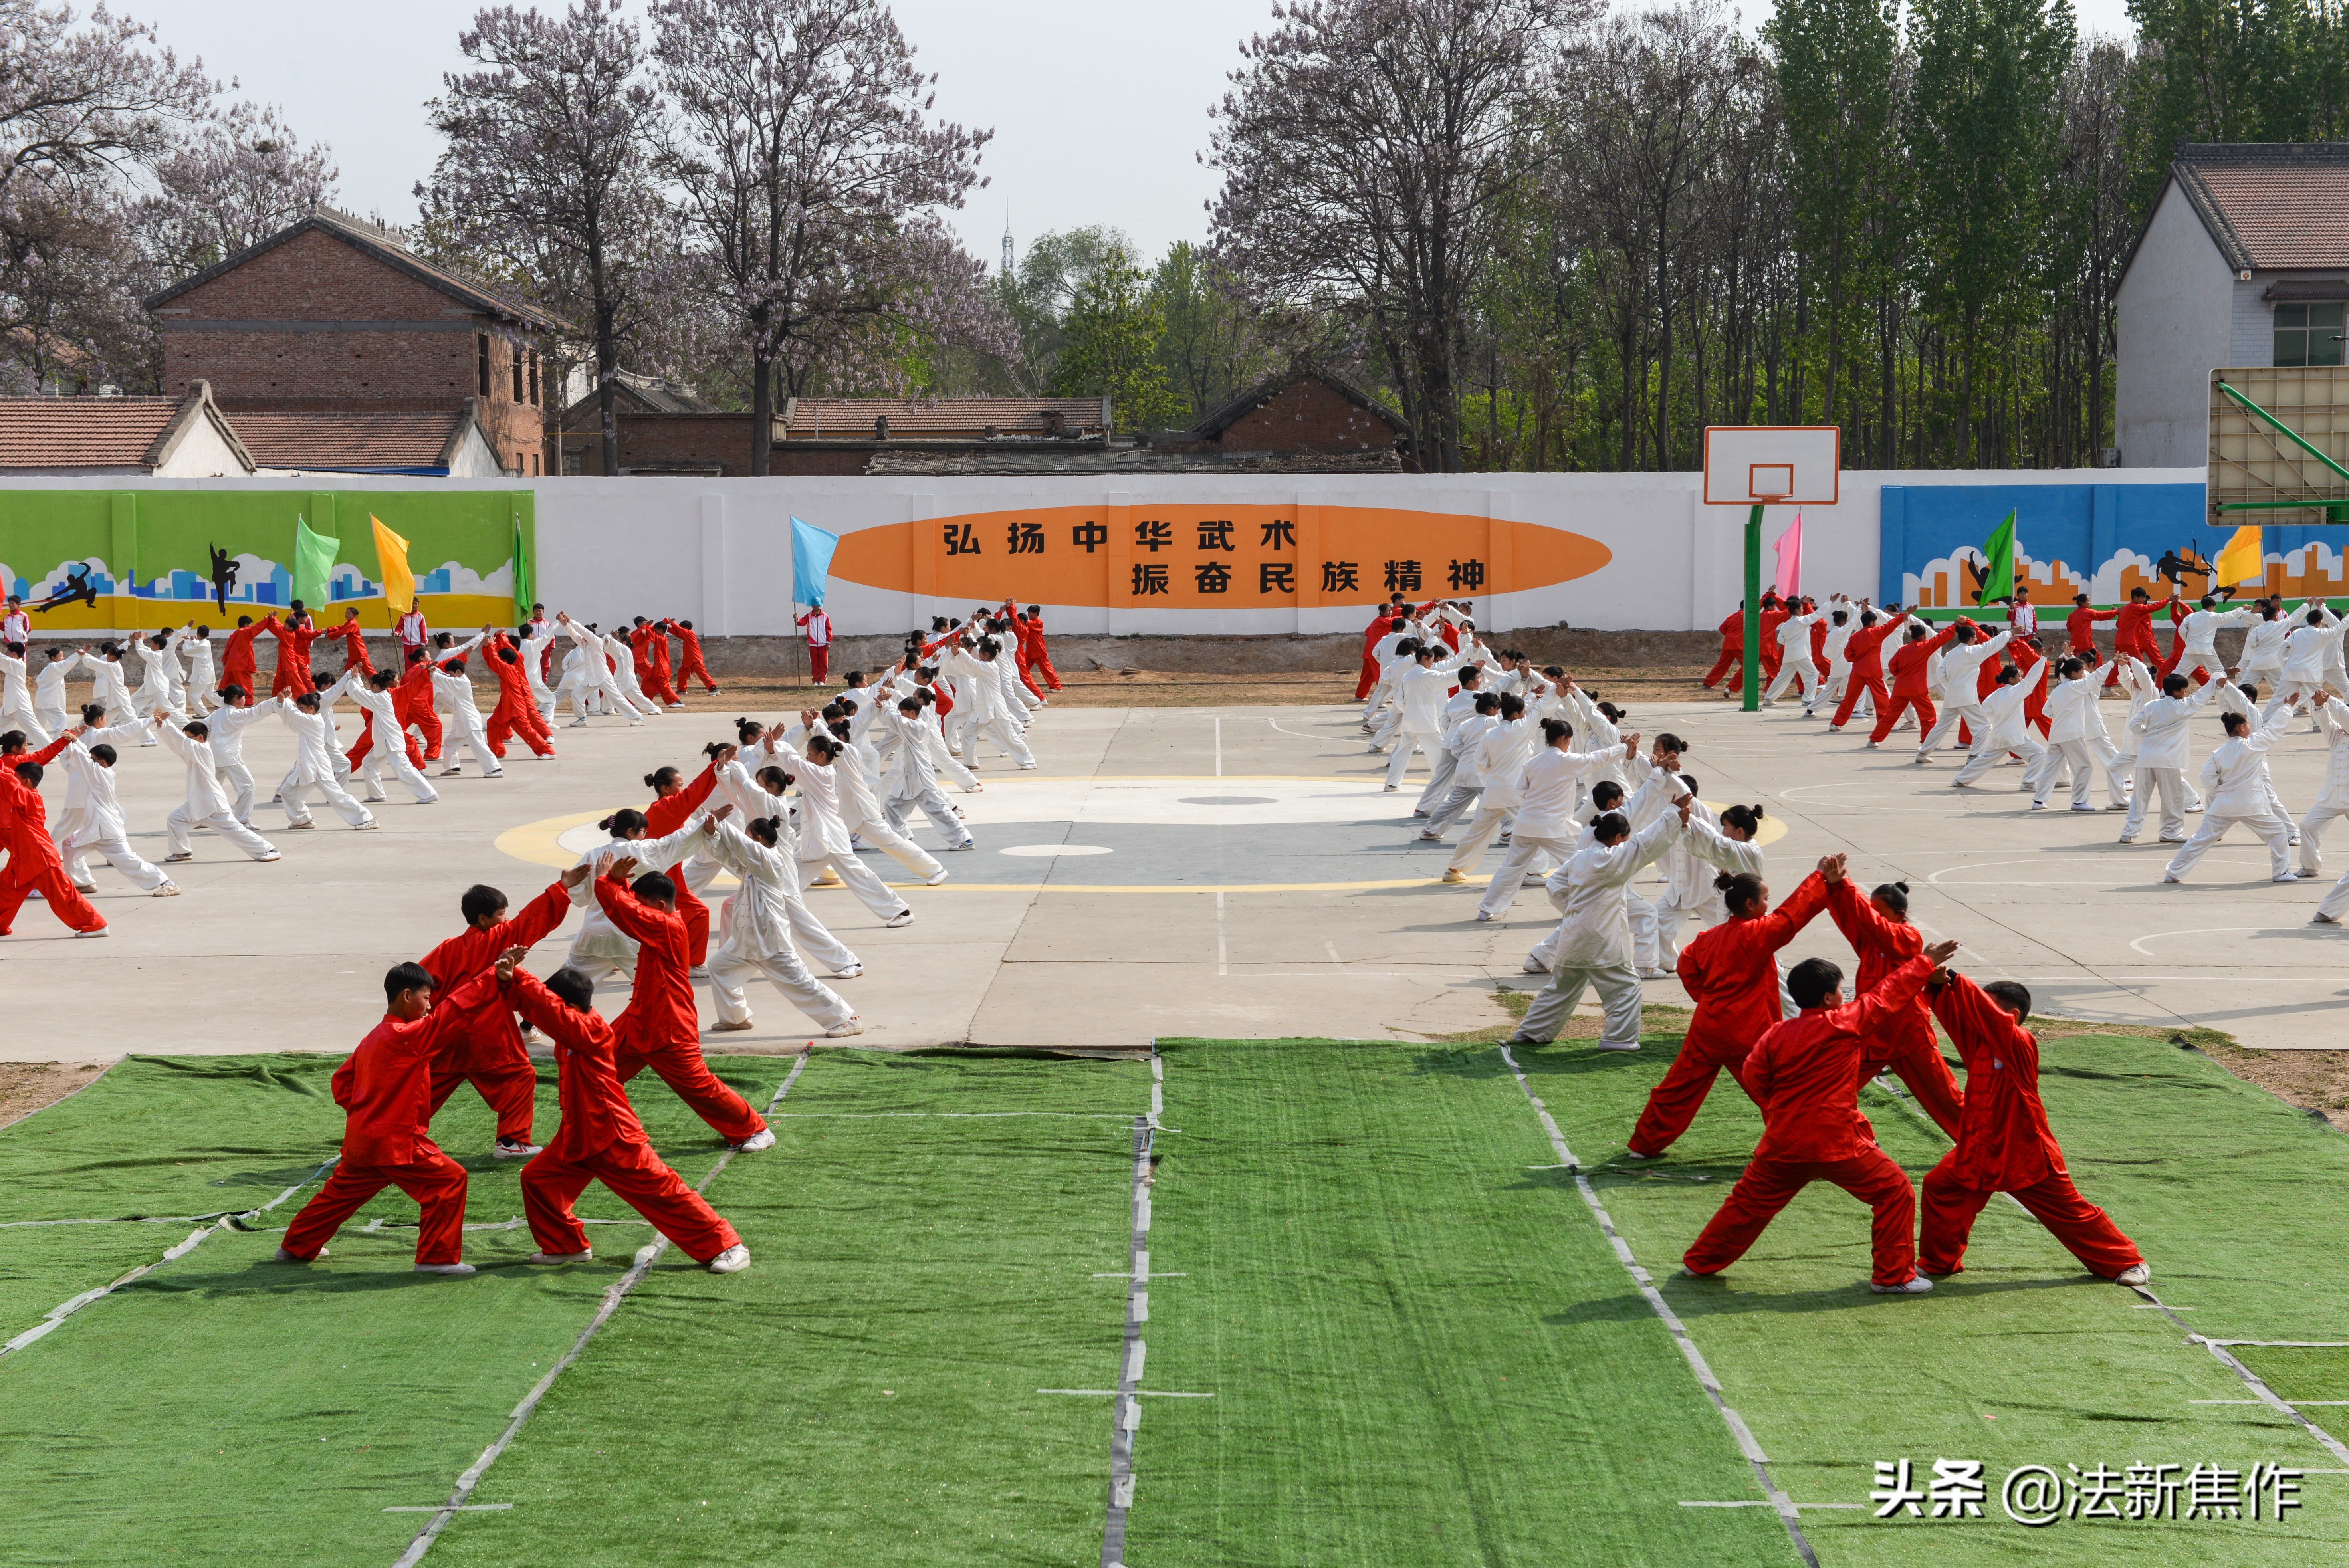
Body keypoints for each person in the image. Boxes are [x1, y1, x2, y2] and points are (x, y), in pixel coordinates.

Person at [1681, 920, 1962, 1296]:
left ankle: (1699, 1261)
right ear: (1829, 998)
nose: (1845, 996)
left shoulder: (1776, 1034)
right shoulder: (1844, 1025)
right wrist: (1924, 963)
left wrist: (1780, 1107)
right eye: (1841, 991)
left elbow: (1753, 1075)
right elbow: (1886, 996)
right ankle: (1892, 1276)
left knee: (1746, 1204)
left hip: (1782, 1143)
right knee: (1895, 1191)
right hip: (1836, 1143)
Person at [492, 948, 751, 1273]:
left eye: (554, 1007)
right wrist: (509, 979)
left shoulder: (591, 1031)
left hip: (613, 1134)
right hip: (579, 1135)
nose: (542, 1017)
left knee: (663, 1190)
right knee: (539, 1178)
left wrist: (519, 977)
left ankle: (728, 1244)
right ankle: (566, 1246)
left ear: (570, 1009)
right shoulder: (569, 1033)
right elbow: (540, 1007)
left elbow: (547, 1009)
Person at [1917, 966, 2148, 1286]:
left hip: (2023, 1149)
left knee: (2069, 1211)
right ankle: (1938, 1261)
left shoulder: (2019, 1041)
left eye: (1986, 1005)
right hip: (1978, 1148)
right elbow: (1953, 1016)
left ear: (2011, 1016)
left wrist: (1956, 979)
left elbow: (1983, 1013)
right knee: (1941, 1187)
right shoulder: (1978, 1042)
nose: (1978, 1012)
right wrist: (1938, 985)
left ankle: (2128, 1261)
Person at [274, 961, 499, 1276]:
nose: (430, 1005)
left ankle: (294, 1246)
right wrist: (493, 977)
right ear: (407, 996)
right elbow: (452, 1013)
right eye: (426, 997)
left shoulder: (374, 1037)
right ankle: (436, 1258)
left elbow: (341, 1082)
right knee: (449, 1180)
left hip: (363, 1138)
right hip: (395, 1140)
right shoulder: (408, 1035)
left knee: (339, 1193)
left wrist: (367, 1112)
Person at [1625, 857, 1835, 1155]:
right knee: (1778, 1091)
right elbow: (1792, 915)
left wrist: (1706, 996)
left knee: (1678, 1089)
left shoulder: (1706, 938)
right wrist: (1819, 878)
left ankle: (1644, 1145)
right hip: (1750, 1032)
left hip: (1708, 1027)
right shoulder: (1758, 934)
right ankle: (1799, 1145)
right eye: (1765, 899)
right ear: (1750, 904)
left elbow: (1686, 966)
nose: (1768, 905)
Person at [583, 852, 775, 1149]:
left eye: (642, 902)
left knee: (698, 1085)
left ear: (658, 906)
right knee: (596, 1069)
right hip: (640, 1020)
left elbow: (626, 911)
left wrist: (606, 880)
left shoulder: (666, 926)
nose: (638, 907)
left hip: (668, 1026)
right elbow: (628, 910)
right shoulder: (661, 921)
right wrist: (616, 881)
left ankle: (755, 1129)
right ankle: (594, 1129)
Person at [1506, 793, 1692, 1049]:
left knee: (1561, 989)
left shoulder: (1579, 858)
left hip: (1573, 936)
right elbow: (1644, 844)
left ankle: (1531, 1033)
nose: (1626, 842)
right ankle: (1619, 1040)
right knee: (1625, 988)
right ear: (1618, 839)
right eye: (1624, 838)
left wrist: (1575, 908)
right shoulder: (1612, 859)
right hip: (1602, 940)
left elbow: (1555, 887)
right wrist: (1672, 813)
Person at [418, 878, 573, 1158]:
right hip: (487, 1034)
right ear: (483, 919)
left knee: (424, 1090)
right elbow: (531, 920)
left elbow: (421, 980)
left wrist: (423, 1019)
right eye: (502, 914)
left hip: (445, 1032)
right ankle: (512, 1141)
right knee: (520, 1076)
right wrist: (562, 887)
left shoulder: (447, 948)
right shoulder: (500, 937)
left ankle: (390, 1133)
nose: (507, 919)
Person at [1824, 878, 1964, 1137]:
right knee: (1829, 1091)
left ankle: (1988, 1144)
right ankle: (1819, 1140)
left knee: (1949, 1100)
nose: (1870, 917)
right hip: (1869, 1033)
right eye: (1870, 910)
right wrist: (1835, 887)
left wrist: (1847, 885)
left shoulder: (1908, 937)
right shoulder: (1869, 937)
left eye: (1878, 913)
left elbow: (1872, 925)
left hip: (1907, 1034)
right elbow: (1847, 915)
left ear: (1899, 915)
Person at [701, 814, 861, 1036]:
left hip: (770, 940)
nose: (745, 842)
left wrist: (721, 824)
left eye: (748, 837)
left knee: (800, 982)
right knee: (719, 968)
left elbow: (743, 847)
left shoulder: (769, 860)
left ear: (757, 840)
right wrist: (713, 835)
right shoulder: (753, 865)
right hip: (746, 941)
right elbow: (729, 857)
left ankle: (845, 1019)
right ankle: (735, 1019)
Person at [1473, 716, 1636, 922]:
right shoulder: (1567, 761)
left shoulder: (1533, 763)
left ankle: (1487, 909)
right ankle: (1585, 907)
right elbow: (1597, 759)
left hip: (1525, 824)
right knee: (1582, 862)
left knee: (1510, 868)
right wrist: (1624, 748)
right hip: (1552, 827)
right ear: (1563, 739)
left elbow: (1520, 790)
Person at [2162, 699, 2299, 883]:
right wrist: (2287, 707)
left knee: (2200, 840)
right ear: (2242, 728)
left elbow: (2206, 779)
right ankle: (2281, 873)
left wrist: (2220, 790)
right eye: (2249, 725)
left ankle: (2174, 872)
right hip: (2251, 805)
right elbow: (2274, 729)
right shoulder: (2253, 745)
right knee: (2278, 832)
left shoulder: (2218, 753)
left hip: (2223, 806)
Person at [0, 743, 109, 936]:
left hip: (39, 857)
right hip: (24, 857)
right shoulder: (25, 795)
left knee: (63, 894)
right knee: (6, 890)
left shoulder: (28, 797)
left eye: (16, 779)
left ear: (25, 782)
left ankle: (96, 925)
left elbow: (6, 781)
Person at [152, 712, 282, 864]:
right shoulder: (194, 751)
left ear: (201, 738)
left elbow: (181, 742)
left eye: (190, 738)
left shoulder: (202, 750)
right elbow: (177, 745)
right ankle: (181, 852)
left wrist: (168, 725)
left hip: (213, 803)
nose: (187, 741)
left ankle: (268, 850)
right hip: (199, 801)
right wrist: (163, 727)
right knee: (175, 819)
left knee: (234, 830)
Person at [2120, 672, 2220, 844]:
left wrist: (2147, 733)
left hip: (2146, 757)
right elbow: (2201, 697)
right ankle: (2170, 832)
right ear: (2176, 692)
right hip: (2167, 760)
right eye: (2184, 690)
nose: (2186, 693)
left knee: (2140, 797)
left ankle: (2129, 832)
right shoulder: (2182, 707)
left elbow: (2134, 724)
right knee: (2173, 798)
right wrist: (2216, 679)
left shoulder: (2152, 705)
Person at [2033, 656, 2131, 812]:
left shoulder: (2058, 690)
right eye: (2081, 672)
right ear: (2074, 674)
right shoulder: (2076, 687)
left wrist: (2061, 715)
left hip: (2056, 734)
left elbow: (2046, 710)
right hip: (2072, 735)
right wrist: (2112, 662)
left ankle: (2039, 801)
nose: (2083, 675)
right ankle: (2079, 802)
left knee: (2051, 768)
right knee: (2085, 767)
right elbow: (2097, 677)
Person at [272, 686, 377, 831]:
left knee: (336, 795)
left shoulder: (314, 721)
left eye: (302, 707)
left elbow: (294, 714)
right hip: (307, 766)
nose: (299, 709)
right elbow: (290, 721)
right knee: (287, 791)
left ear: (311, 708)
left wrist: (287, 702)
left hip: (318, 766)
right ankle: (303, 820)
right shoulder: (305, 722)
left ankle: (367, 818)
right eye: (298, 706)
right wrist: (281, 703)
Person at [1950, 656, 2048, 788]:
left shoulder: (1997, 694)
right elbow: (2032, 678)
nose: (2022, 679)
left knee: (1984, 760)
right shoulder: (2017, 691)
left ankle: (1959, 779)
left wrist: (1999, 713)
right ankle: (2029, 783)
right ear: (2011, 680)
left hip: (2000, 735)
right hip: (2013, 737)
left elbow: (1985, 710)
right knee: (2040, 754)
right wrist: (2043, 660)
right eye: (2020, 676)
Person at [349, 670, 441, 805]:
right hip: (384, 741)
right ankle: (377, 794)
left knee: (403, 768)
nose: (369, 688)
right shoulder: (381, 697)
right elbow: (361, 694)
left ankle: (429, 794)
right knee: (369, 764)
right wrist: (355, 680)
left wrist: (352, 680)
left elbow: (357, 694)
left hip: (391, 741)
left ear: (375, 686)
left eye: (370, 685)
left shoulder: (379, 699)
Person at [673, 619, 720, 695]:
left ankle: (714, 689)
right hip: (690, 660)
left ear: (685, 629)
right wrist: (667, 628)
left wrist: (672, 623)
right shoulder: (686, 635)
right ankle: (682, 690)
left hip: (695, 659)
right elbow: (677, 633)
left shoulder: (690, 634)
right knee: (682, 672)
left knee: (702, 674)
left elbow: (679, 630)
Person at [796, 603, 833, 686]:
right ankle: (815, 680)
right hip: (813, 644)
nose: (815, 606)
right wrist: (797, 620)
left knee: (823, 663)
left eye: (817, 604)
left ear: (820, 605)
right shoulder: (808, 616)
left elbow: (829, 630)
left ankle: (822, 680)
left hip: (823, 644)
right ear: (812, 606)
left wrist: (828, 642)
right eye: (814, 605)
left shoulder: (825, 617)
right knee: (814, 663)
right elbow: (802, 623)